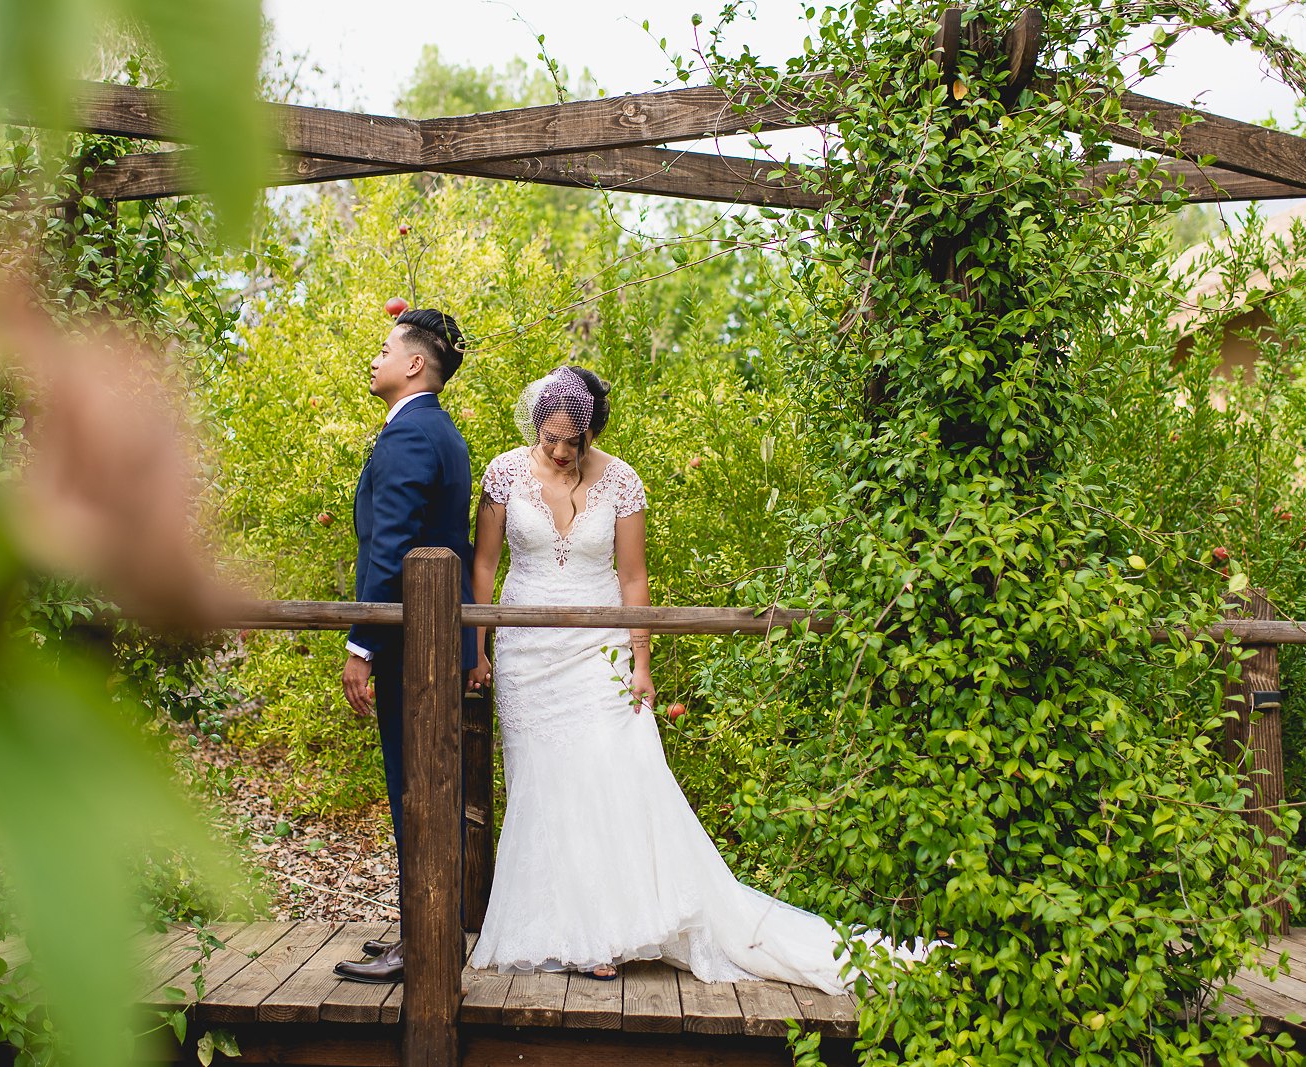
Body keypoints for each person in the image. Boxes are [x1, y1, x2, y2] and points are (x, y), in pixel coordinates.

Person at [465, 366, 929, 992]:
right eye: (548, 437)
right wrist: (479, 647)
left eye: (571, 440)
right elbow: (484, 565)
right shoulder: (502, 473)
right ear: (535, 425)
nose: (558, 451)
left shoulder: (622, 480)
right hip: (528, 651)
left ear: (591, 431)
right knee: (543, 782)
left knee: (612, 774)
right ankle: (561, 930)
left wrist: (642, 664)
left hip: (601, 648)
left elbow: (634, 580)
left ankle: (612, 927)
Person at [333, 308, 476, 985]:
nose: (376, 357)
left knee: (415, 790)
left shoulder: (412, 437)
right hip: (436, 644)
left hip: (413, 649)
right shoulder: (438, 432)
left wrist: (363, 645)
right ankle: (424, 932)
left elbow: (390, 549)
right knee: (426, 788)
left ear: (415, 363)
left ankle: (425, 945)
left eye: (385, 347)